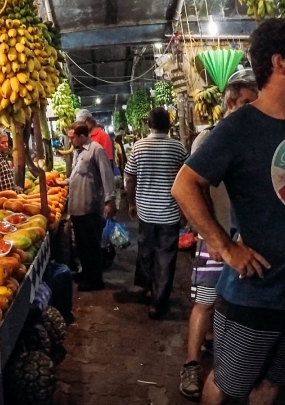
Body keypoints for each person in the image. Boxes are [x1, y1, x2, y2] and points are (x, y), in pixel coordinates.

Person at [172, 19, 285, 405]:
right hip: (254, 294)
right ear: (280, 63)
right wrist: (223, 245)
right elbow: (184, 185)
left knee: (271, 386)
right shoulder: (240, 127)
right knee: (226, 383)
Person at [179, 79, 258, 399]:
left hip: (244, 241)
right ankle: (191, 365)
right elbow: (190, 187)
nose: (254, 107)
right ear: (230, 103)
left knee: (232, 305)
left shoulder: (253, 137)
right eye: (248, 101)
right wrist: (213, 238)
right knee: (205, 303)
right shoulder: (210, 138)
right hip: (217, 237)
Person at [125, 107, 187, 320]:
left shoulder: (138, 147)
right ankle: (159, 303)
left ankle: (149, 289)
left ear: (149, 125)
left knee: (146, 252)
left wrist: (131, 203)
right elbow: (185, 180)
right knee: (165, 257)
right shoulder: (177, 148)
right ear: (169, 125)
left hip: (145, 212)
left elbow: (130, 178)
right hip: (169, 213)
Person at [66, 122, 116, 292]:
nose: (70, 140)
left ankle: (95, 280)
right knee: (81, 244)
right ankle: (86, 273)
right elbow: (76, 177)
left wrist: (110, 201)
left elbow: (107, 175)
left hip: (89, 206)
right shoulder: (77, 153)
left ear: (81, 136)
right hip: (77, 206)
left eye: (72, 137)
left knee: (91, 245)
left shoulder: (96, 150)